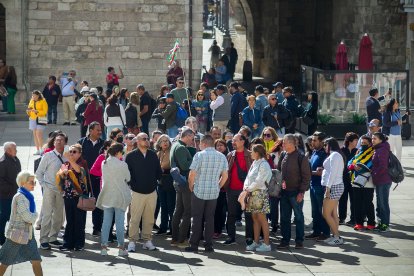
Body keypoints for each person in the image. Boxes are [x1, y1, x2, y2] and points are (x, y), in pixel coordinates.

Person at [185, 135, 228, 252]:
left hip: (199, 190)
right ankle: (209, 245)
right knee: (210, 218)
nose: (198, 145)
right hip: (213, 192)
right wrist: (218, 186)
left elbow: (192, 174)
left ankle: (194, 245)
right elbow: (225, 176)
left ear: (204, 144)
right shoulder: (221, 156)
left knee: (197, 218)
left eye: (200, 143)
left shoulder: (199, 155)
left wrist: (191, 186)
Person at [0, 171, 42, 276]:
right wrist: (36, 215)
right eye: (31, 182)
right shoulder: (20, 197)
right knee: (5, 262)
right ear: (23, 183)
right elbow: (28, 217)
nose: (34, 185)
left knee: (36, 260)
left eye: (34, 182)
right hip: (17, 235)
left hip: (28, 235)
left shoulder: (28, 196)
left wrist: (32, 217)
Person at [126, 133, 162, 251]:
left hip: (151, 192)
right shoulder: (130, 156)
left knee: (149, 218)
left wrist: (154, 182)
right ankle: (132, 241)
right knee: (135, 219)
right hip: (137, 192)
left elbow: (158, 171)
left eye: (147, 139)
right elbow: (127, 174)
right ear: (137, 141)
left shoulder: (153, 155)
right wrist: (133, 185)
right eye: (144, 139)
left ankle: (147, 240)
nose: (147, 141)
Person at [277, 134, 311, 249]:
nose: (283, 145)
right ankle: (285, 240)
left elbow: (306, 177)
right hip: (284, 193)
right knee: (284, 218)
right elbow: (279, 172)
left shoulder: (301, 157)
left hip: (296, 193)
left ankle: (299, 240)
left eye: (284, 143)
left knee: (299, 217)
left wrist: (301, 192)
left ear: (292, 143)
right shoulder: (283, 154)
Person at [97, 143, 131, 256]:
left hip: (107, 195)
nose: (123, 154)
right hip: (120, 196)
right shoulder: (123, 164)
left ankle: (103, 247)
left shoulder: (104, 163)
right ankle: (121, 248)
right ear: (118, 152)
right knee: (119, 223)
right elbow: (128, 178)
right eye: (122, 152)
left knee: (106, 222)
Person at [35, 133, 68, 250]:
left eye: (61, 140)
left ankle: (53, 238)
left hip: (61, 191)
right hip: (49, 189)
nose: (58, 142)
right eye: (56, 140)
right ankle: (43, 239)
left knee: (59, 216)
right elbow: (39, 173)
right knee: (47, 215)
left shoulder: (66, 157)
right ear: (53, 143)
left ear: (65, 143)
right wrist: (44, 186)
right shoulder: (48, 156)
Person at [56, 144, 89, 251]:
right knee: (70, 220)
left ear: (80, 153)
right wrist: (62, 172)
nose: (71, 154)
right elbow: (60, 176)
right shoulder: (66, 163)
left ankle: (79, 244)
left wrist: (70, 162)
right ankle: (68, 243)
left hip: (79, 196)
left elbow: (79, 171)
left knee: (79, 221)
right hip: (68, 195)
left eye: (74, 152)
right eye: (70, 152)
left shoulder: (82, 162)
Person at [223, 134, 254, 245]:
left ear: (242, 142)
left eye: (235, 140)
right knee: (231, 214)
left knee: (248, 215)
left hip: (246, 191)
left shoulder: (251, 155)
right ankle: (231, 237)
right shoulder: (230, 155)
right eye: (232, 141)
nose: (232, 142)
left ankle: (249, 238)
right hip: (231, 190)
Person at [243, 144, 272, 252]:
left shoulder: (264, 164)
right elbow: (248, 177)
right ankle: (256, 241)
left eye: (252, 151)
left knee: (262, 219)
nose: (250, 153)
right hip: (252, 193)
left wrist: (248, 189)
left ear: (257, 152)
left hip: (260, 193)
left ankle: (267, 243)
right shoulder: (255, 163)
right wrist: (246, 187)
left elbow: (260, 181)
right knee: (254, 218)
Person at [77, 122, 104, 236]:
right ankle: (80, 228)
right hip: (82, 178)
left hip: (97, 178)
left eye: (100, 130)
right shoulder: (81, 143)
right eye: (97, 130)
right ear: (91, 130)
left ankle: (97, 228)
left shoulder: (103, 144)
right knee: (81, 202)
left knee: (98, 203)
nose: (100, 132)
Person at [170, 128, 194, 248]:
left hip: (179, 181)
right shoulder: (180, 147)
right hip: (184, 182)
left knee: (179, 210)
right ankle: (181, 240)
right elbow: (184, 165)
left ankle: (175, 239)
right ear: (188, 136)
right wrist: (195, 161)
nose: (192, 141)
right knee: (186, 211)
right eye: (192, 138)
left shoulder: (176, 145)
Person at [305, 132, 330, 241]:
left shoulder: (324, 154)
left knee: (322, 211)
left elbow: (322, 172)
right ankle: (316, 231)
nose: (312, 142)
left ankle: (325, 233)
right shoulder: (314, 152)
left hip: (320, 186)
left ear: (321, 141)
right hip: (313, 185)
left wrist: (309, 172)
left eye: (315, 140)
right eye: (312, 140)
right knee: (315, 211)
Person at [348, 135, 375, 231]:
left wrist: (361, 167)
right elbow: (350, 162)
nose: (363, 144)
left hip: (368, 181)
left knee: (368, 203)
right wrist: (353, 166)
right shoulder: (358, 152)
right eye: (362, 143)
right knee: (357, 203)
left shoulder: (373, 152)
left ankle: (371, 223)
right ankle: (359, 223)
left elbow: (371, 164)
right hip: (356, 180)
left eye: (365, 143)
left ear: (369, 143)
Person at [321, 138, 345, 246]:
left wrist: (328, 188)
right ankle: (335, 236)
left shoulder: (335, 155)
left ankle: (337, 236)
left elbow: (333, 174)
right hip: (334, 186)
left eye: (326, 145)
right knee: (333, 213)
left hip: (334, 186)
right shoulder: (335, 155)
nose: (324, 147)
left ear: (330, 145)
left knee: (326, 213)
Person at [0, 142, 21, 245]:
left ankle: (14, 237)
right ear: (8, 150)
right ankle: (1, 238)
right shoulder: (2, 163)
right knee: (4, 217)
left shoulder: (16, 159)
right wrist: (13, 188)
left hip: (15, 194)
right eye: (14, 149)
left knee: (14, 217)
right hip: (5, 196)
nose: (16, 150)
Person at [154, 135, 175, 235]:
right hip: (161, 181)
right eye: (162, 141)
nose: (165, 142)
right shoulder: (158, 153)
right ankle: (163, 227)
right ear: (159, 143)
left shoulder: (172, 151)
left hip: (170, 180)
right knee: (163, 205)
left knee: (171, 205)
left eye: (167, 140)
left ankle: (172, 228)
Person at [371, 132, 392, 232]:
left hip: (383, 180)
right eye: (372, 138)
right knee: (379, 203)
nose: (373, 140)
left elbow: (383, 166)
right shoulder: (378, 148)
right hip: (379, 180)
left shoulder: (382, 149)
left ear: (380, 140)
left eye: (375, 138)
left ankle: (385, 224)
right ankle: (380, 223)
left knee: (383, 203)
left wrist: (374, 175)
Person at [339, 132, 359, 226]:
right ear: (350, 141)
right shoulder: (341, 150)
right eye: (355, 140)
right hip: (343, 178)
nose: (357, 142)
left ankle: (353, 219)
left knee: (354, 199)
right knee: (342, 199)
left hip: (353, 178)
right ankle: (341, 218)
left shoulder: (357, 151)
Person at [382, 98, 409, 163]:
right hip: (390, 135)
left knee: (399, 151)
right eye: (396, 103)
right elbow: (385, 123)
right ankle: (391, 166)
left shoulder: (398, 111)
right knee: (391, 152)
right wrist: (396, 123)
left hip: (398, 134)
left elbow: (399, 120)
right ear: (392, 105)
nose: (397, 104)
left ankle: (398, 166)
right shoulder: (387, 112)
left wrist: (406, 115)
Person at [27, 90, 48, 156]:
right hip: (33, 118)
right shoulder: (31, 100)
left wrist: (37, 111)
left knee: (39, 134)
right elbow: (29, 108)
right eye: (32, 95)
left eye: (34, 96)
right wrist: (28, 111)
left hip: (41, 118)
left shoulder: (43, 101)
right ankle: (38, 150)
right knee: (35, 135)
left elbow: (45, 111)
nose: (33, 97)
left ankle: (42, 149)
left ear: (38, 95)